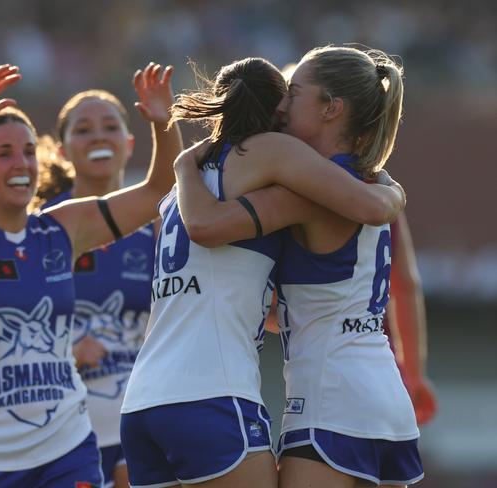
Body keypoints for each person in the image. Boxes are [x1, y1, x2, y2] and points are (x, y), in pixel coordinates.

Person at [0, 63, 181, 487]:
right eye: (4, 154)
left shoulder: (61, 229)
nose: (21, 163)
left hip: (68, 447)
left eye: (26, 152)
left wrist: (164, 123)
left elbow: (158, 191)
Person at [119, 56, 406, 488]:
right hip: (339, 393)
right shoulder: (317, 171)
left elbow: (210, 239)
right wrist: (393, 191)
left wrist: (181, 165)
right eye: (285, 95)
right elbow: (373, 212)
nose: (287, 108)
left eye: (296, 94)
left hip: (146, 398)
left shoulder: (184, 189)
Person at [36, 78, 173, 488]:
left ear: (129, 144)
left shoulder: (156, 225)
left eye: (110, 126)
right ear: (63, 151)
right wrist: (66, 353)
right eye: (83, 129)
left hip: (140, 421)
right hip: (65, 427)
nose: (98, 136)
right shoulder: (44, 227)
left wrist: (164, 123)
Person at [386, 213, 438, 426]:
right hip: (385, 373)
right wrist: (414, 378)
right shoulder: (382, 189)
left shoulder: (301, 191)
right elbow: (406, 286)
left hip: (321, 379)